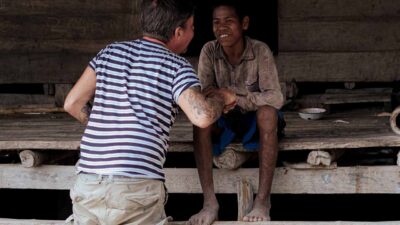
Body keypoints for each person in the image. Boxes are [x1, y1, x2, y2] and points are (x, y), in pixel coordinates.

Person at [63, 0, 236, 224]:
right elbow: (202, 116)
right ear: (178, 32)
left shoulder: (109, 53)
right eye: (192, 27)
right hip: (136, 189)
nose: (194, 33)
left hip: (88, 185)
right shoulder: (176, 66)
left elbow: (72, 103)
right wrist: (221, 97)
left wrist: (108, 126)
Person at [188, 0, 285, 224]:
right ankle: (209, 203)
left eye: (229, 21)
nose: (222, 28)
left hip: (254, 121)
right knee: (200, 119)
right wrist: (222, 99)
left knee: (268, 113)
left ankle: (262, 200)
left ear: (244, 24)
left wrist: (233, 97)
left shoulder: (260, 50)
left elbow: (275, 97)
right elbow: (204, 96)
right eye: (216, 23)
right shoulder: (209, 51)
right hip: (225, 121)